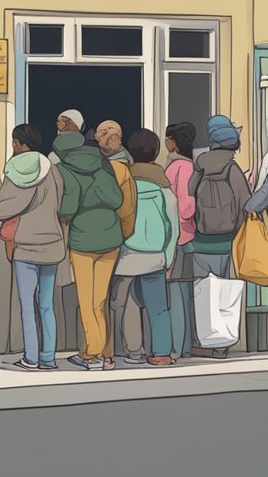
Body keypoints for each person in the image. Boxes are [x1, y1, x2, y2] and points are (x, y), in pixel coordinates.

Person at [0, 125, 68, 371]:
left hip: (26, 246)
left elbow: (6, 205)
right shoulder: (52, 169)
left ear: (20, 144)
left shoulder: (15, 170)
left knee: (26, 305)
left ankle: (31, 357)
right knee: (46, 305)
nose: (13, 146)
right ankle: (48, 357)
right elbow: (60, 198)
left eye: (14, 142)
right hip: (52, 244)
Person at [53, 122, 124, 370]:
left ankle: (92, 353)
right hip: (111, 238)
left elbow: (67, 208)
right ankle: (105, 355)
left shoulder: (64, 170)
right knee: (100, 300)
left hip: (83, 240)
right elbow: (117, 199)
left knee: (86, 299)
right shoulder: (103, 165)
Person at [111, 129, 179, 367]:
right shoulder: (164, 189)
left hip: (126, 255)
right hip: (155, 256)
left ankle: (134, 351)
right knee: (158, 307)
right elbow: (173, 229)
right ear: (156, 153)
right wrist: (169, 260)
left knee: (129, 304)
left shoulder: (122, 184)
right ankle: (161, 352)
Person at [189, 115, 251, 359]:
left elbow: (188, 194)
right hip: (226, 242)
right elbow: (245, 203)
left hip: (201, 240)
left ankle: (202, 340)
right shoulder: (232, 168)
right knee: (224, 294)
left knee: (202, 292)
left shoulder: (200, 164)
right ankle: (221, 344)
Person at [97, 120, 143, 364]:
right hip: (115, 239)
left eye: (106, 135)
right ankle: (112, 351)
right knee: (113, 299)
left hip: (110, 240)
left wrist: (121, 234)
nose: (101, 138)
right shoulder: (124, 166)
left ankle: (106, 352)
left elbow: (126, 210)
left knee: (106, 299)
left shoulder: (116, 169)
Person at [164, 123, 197, 359]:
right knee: (183, 295)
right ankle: (183, 345)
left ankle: (179, 346)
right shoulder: (189, 165)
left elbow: (186, 207)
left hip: (179, 238)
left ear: (173, 141)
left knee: (177, 295)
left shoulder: (180, 167)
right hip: (185, 237)